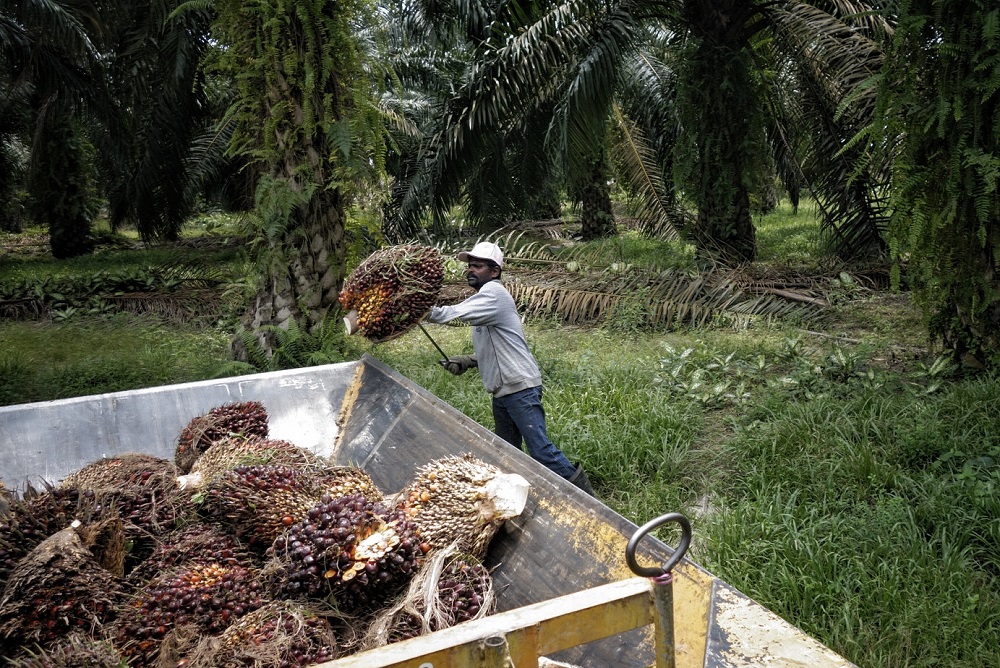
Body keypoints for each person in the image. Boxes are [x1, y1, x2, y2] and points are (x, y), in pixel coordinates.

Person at [424, 241, 596, 496]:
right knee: (506, 452)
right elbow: (499, 347)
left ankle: (591, 502)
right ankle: (516, 500)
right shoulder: (485, 299)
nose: (471, 270)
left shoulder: (493, 294)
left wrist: (415, 308)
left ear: (494, 272)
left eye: (478, 266)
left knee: (541, 451)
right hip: (504, 391)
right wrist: (469, 360)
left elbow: (450, 314)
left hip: (519, 389)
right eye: (470, 266)